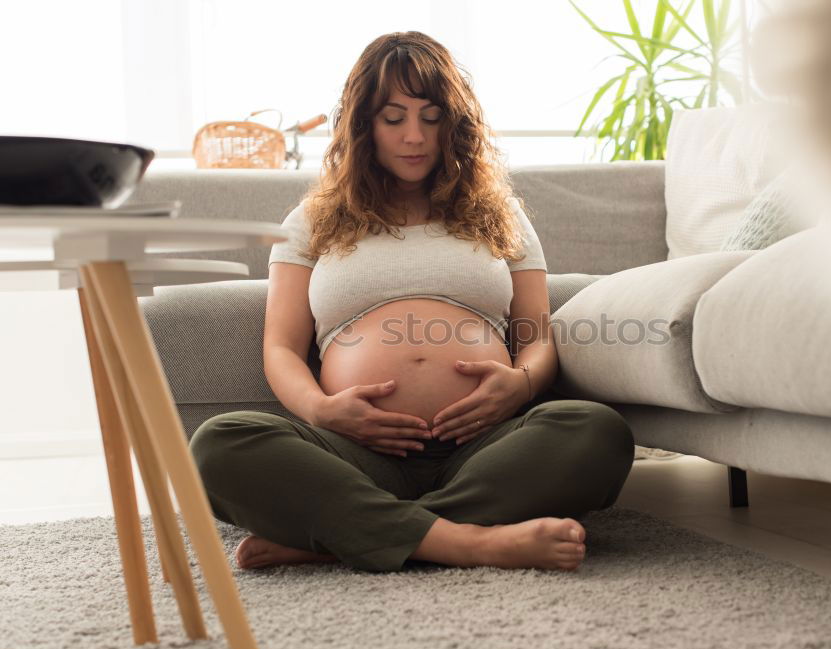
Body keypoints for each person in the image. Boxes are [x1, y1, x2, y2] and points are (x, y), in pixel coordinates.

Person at [188, 31, 636, 573]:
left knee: (597, 431)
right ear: (363, 125)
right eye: (394, 118)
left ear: (455, 123)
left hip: (486, 445)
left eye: (431, 116)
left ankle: (342, 536)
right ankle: (472, 542)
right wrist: (321, 409)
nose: (415, 137)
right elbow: (281, 348)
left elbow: (536, 338)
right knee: (221, 442)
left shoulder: (503, 216)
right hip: (353, 452)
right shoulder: (311, 221)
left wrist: (520, 383)